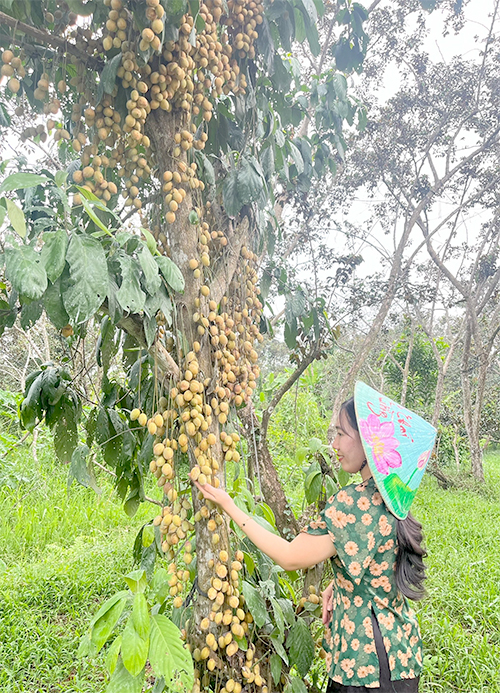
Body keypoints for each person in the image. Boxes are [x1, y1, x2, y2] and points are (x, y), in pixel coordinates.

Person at [191, 381, 436, 692]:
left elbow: (290, 558)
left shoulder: (351, 503)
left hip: (363, 666)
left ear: (369, 444)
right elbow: (376, 559)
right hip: (401, 655)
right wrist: (341, 580)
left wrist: (228, 505)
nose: (333, 443)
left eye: (341, 434)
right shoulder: (393, 496)